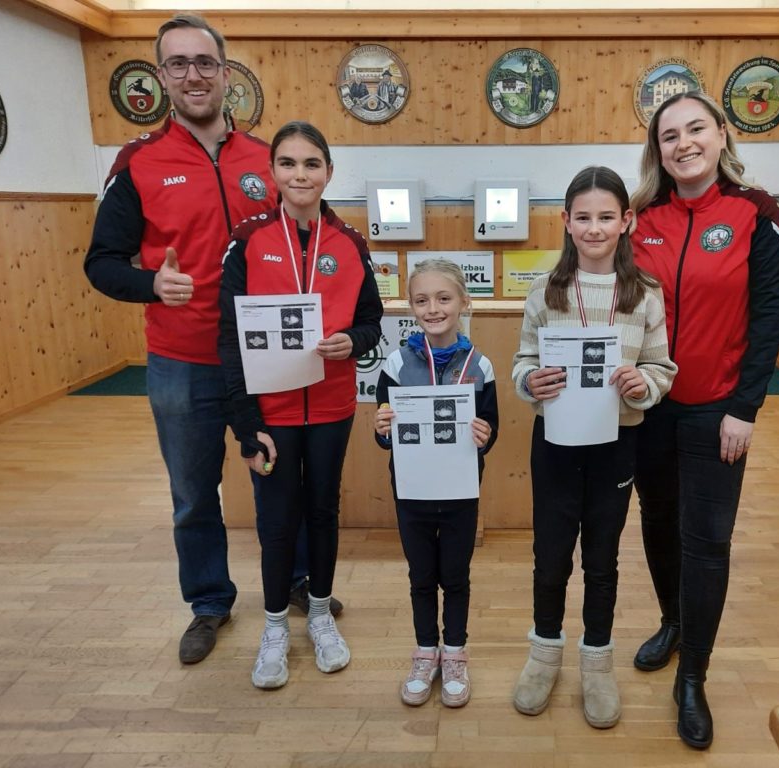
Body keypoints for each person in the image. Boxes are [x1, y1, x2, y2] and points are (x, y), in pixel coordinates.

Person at [84, 15, 340, 667]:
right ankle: (208, 601)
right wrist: (149, 284)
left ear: (225, 74)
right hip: (184, 361)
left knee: (282, 482)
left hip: (273, 360)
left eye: (204, 62)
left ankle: (299, 581)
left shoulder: (268, 158)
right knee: (195, 492)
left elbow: (319, 234)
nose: (193, 75)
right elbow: (101, 263)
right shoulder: (138, 163)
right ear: (161, 75)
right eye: (178, 63)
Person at [629, 91, 779, 749]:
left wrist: (744, 408)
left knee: (707, 540)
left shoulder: (756, 212)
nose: (684, 144)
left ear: (722, 135)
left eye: (696, 129)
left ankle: (692, 675)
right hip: (649, 408)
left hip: (716, 409)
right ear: (658, 151)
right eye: (669, 136)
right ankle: (673, 621)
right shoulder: (642, 217)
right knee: (658, 521)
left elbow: (771, 314)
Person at [217, 121, 382, 689]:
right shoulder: (248, 240)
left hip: (332, 408)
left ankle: (318, 611)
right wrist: (246, 423)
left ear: (329, 172)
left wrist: (352, 342)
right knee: (277, 519)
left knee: (323, 511)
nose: (300, 174)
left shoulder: (350, 243)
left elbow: (371, 321)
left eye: (311, 163)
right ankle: (272, 628)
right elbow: (229, 339)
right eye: (287, 163)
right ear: (272, 173)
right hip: (273, 414)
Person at [511, 166, 677, 729]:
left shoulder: (645, 292)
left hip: (617, 444)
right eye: (583, 217)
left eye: (606, 217)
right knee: (551, 556)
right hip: (556, 444)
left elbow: (660, 365)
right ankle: (543, 655)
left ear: (626, 221)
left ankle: (597, 663)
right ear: (566, 221)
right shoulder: (545, 290)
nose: (594, 228)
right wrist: (530, 381)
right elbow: (523, 361)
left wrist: (643, 384)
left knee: (602, 558)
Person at [373, 259, 499, 708]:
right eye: (422, 300)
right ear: (411, 306)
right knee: (422, 576)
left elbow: (491, 428)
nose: (433, 309)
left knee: (456, 576)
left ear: (463, 302)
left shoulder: (480, 366)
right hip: (412, 494)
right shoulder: (395, 363)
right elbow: (384, 432)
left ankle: (456, 653)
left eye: (443, 298)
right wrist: (381, 429)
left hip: (461, 493)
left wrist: (484, 435)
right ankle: (426, 651)